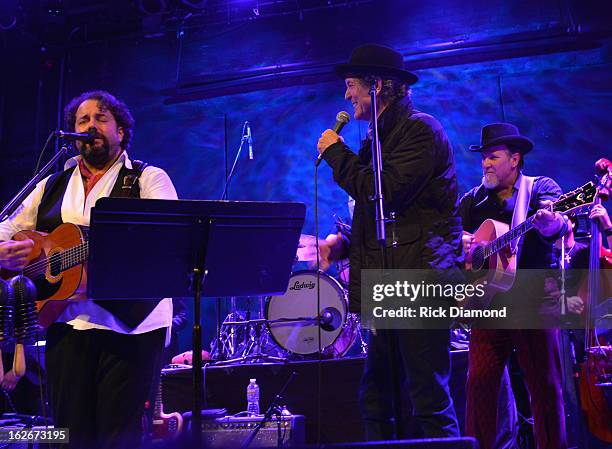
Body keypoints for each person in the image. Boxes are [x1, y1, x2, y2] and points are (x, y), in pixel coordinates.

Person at [0, 90, 178, 448]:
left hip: (132, 327)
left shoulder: (148, 179)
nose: (90, 126)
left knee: (118, 434)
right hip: (67, 324)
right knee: (69, 435)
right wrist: (4, 253)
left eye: (100, 118)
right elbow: (6, 227)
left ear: (121, 132)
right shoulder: (51, 183)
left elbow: (167, 236)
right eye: (83, 120)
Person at [316, 44, 462, 439]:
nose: (347, 96)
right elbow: (376, 215)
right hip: (389, 282)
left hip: (419, 281)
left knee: (428, 397)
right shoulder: (378, 138)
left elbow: (385, 192)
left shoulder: (419, 129)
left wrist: (335, 154)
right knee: (378, 396)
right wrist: (339, 246)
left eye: (352, 86)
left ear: (377, 86)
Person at [459, 122, 568, 449]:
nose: (486, 164)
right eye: (484, 158)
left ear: (515, 159)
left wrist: (552, 223)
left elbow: (559, 227)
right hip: (487, 306)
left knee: (544, 387)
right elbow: (453, 241)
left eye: (493, 157)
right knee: (478, 386)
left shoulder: (540, 189)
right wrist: (462, 244)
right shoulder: (473, 201)